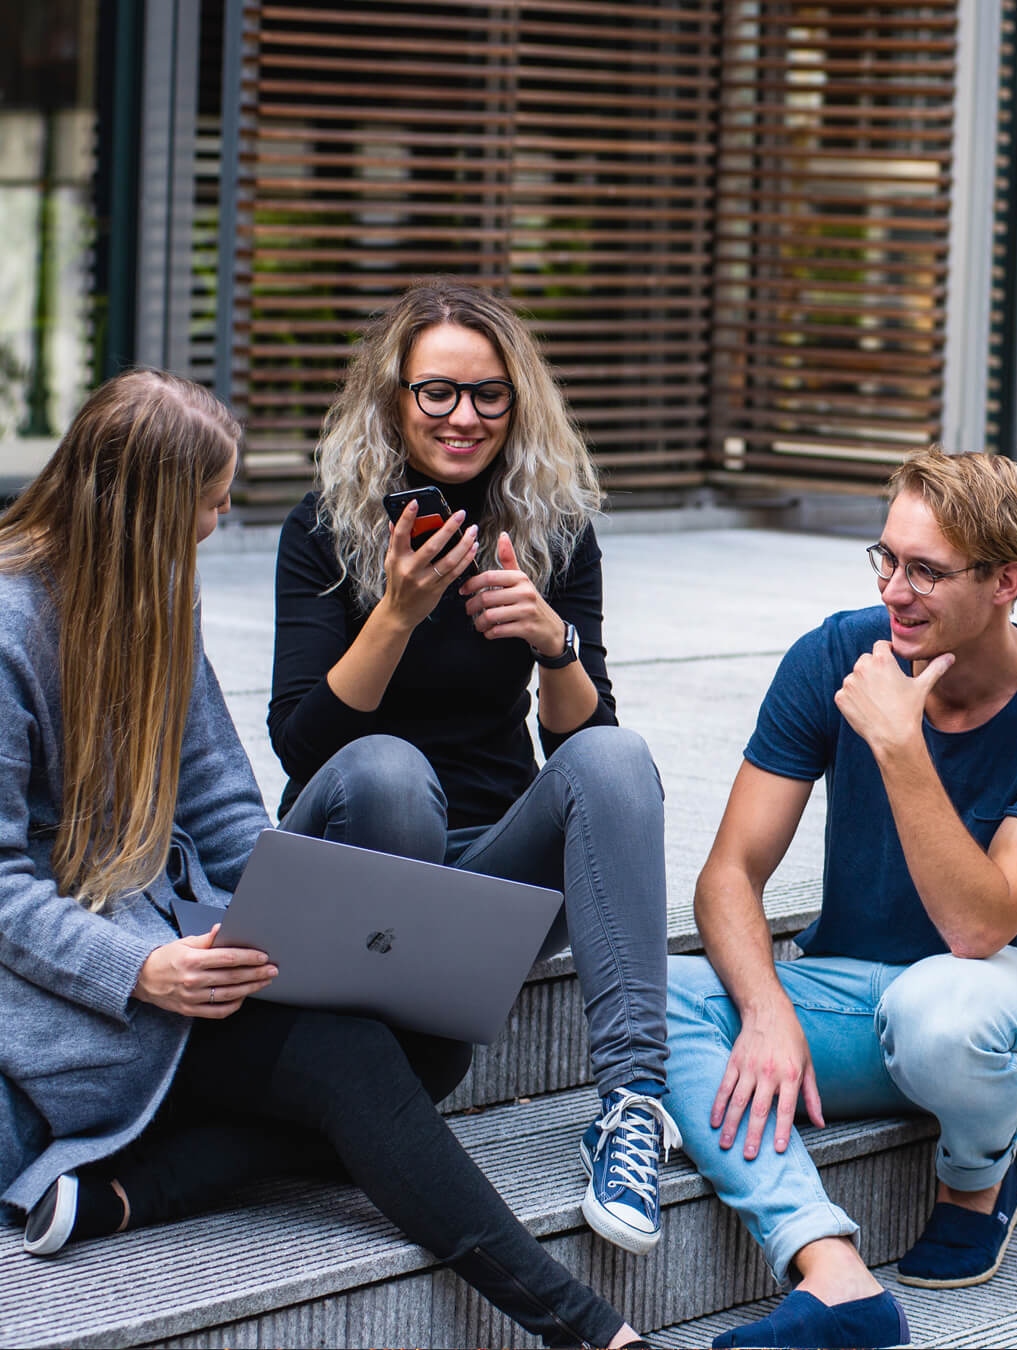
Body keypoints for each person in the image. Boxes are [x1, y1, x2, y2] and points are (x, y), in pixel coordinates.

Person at [0, 369, 651, 1350]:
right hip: (83, 996)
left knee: (423, 1048)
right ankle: (590, 1330)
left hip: (185, 952)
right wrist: (141, 968)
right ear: (149, 507)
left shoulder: (151, 598)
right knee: (349, 1059)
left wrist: (271, 926)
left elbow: (221, 802)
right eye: (211, 504)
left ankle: (132, 1190)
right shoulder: (10, 628)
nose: (219, 522)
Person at [665, 448, 1017, 1349]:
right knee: (655, 992)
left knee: (941, 1007)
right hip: (846, 993)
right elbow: (728, 873)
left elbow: (979, 924)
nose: (895, 590)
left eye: (925, 570)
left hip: (996, 1003)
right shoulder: (835, 653)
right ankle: (830, 1271)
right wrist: (764, 1009)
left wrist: (900, 745)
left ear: (1007, 580)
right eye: (886, 558)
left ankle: (978, 1172)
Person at [268, 276, 678, 1256]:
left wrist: (552, 644)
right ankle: (372, 1071)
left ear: (517, 399)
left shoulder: (553, 528)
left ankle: (630, 1110)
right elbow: (301, 744)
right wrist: (397, 613)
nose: (462, 417)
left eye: (487, 393)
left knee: (618, 759)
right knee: (388, 772)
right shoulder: (324, 528)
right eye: (436, 392)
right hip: (355, 861)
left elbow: (585, 753)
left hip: (486, 879)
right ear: (392, 397)